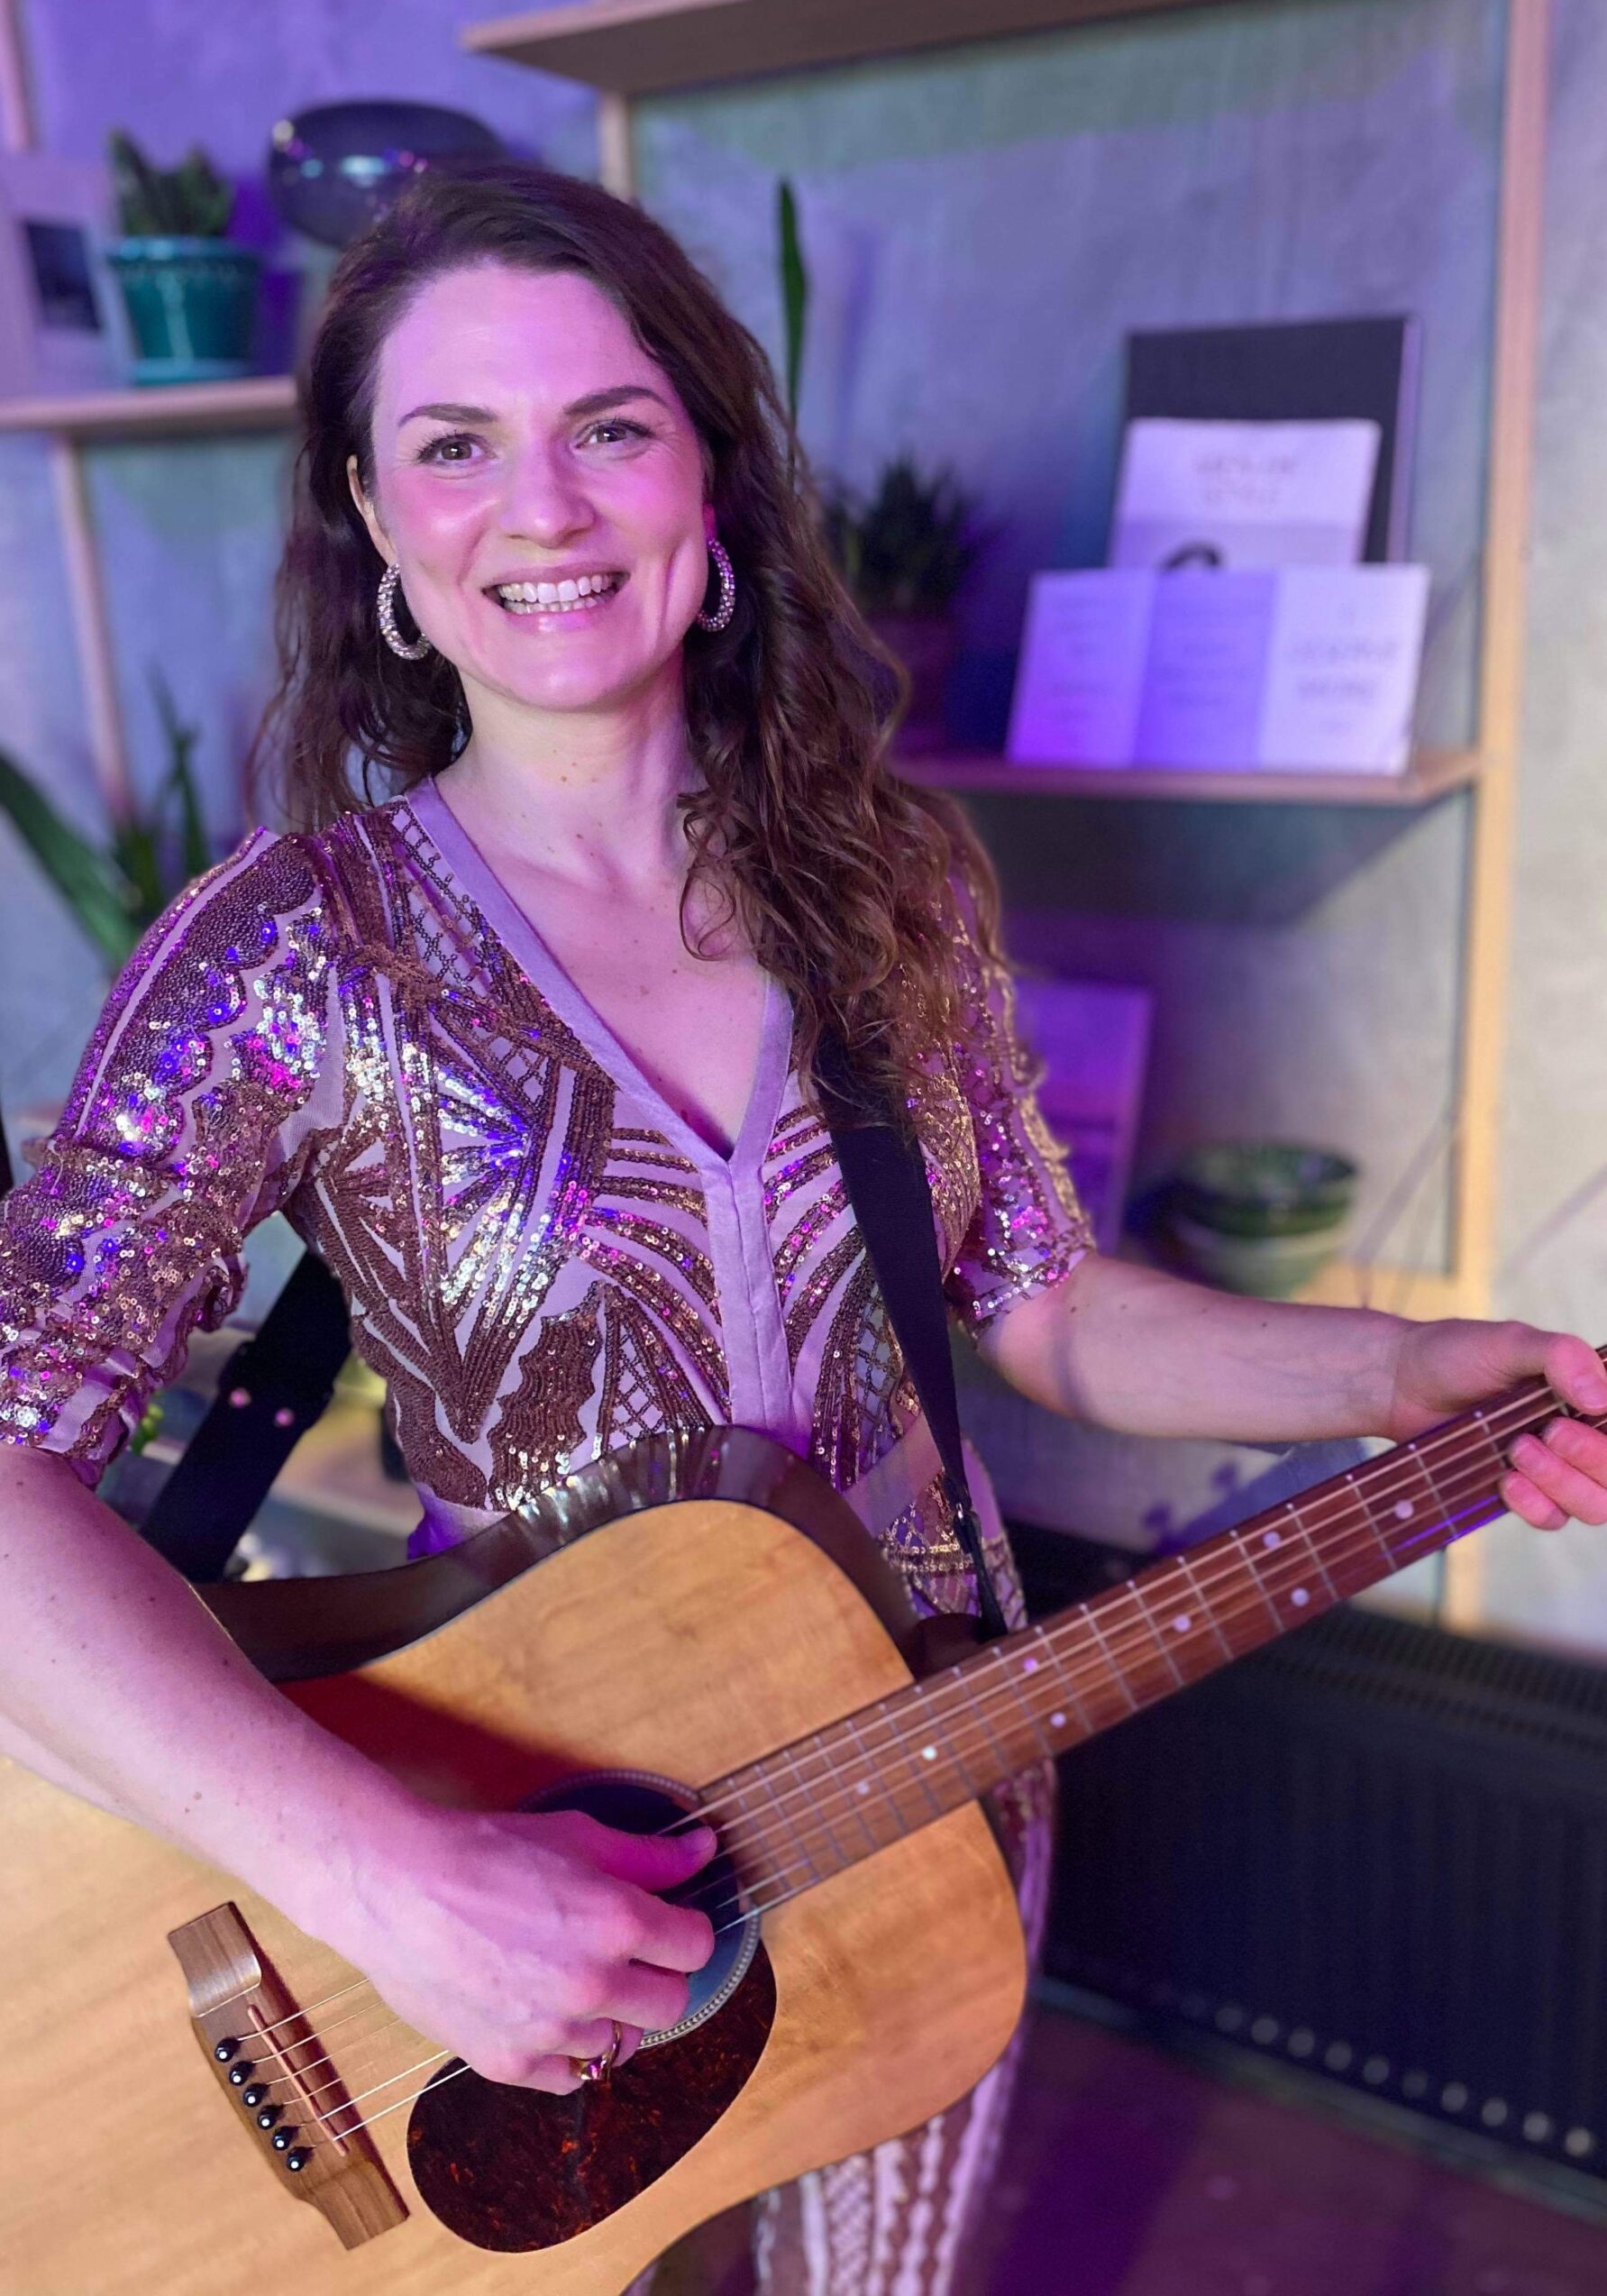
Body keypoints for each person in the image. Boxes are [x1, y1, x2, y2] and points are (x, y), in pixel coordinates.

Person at [2, 161, 1605, 2296]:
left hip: (930, 1772)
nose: (544, 508)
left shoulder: (888, 879)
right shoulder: (288, 949)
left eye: (610, 427)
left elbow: (1038, 1298)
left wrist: (1394, 1373)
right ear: (376, 526)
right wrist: (394, 1886)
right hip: (496, 1821)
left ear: (713, 480)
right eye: (454, 446)